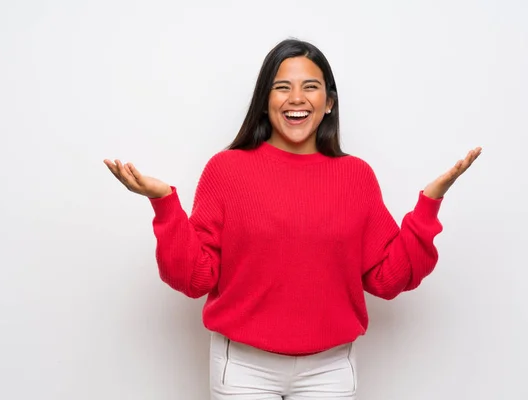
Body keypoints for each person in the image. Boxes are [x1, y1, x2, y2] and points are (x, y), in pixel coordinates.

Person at [104, 38, 481, 400]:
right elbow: (194, 278)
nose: (296, 99)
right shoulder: (226, 171)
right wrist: (164, 204)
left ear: (329, 102)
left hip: (330, 368)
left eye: (310, 87)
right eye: (282, 87)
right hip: (243, 368)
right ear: (265, 101)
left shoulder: (356, 177)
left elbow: (387, 278)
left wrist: (429, 205)